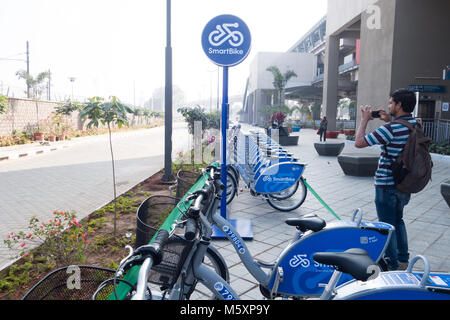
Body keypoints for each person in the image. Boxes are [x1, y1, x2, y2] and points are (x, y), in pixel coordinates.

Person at [355, 88, 418, 270]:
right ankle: (403, 258)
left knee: (387, 225)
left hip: (386, 185)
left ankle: (393, 264)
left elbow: (359, 143)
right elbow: (400, 134)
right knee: (398, 220)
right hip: (405, 184)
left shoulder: (390, 129)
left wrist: (365, 120)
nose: (388, 105)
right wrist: (389, 120)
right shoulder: (415, 125)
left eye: (391, 102)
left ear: (399, 105)